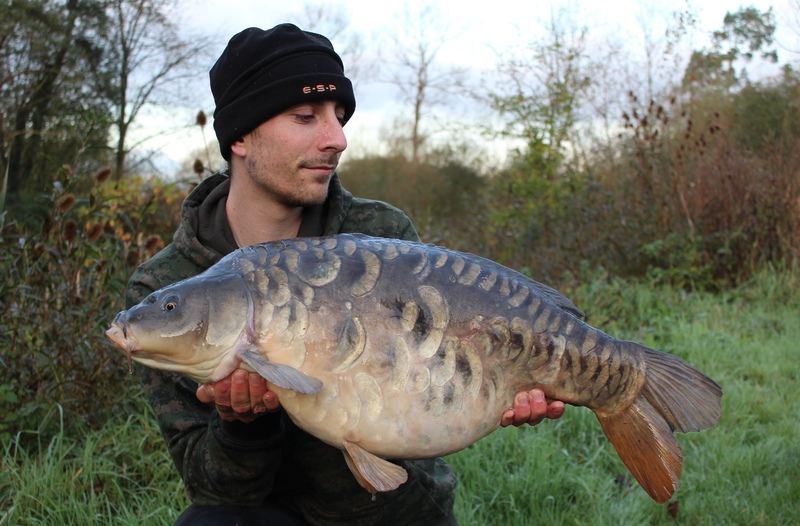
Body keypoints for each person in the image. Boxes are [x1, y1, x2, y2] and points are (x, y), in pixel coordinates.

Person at [125, 23, 565, 526]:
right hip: (266, 513)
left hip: (394, 508)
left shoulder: (381, 234)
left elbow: (441, 374)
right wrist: (242, 424)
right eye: (305, 116)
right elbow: (211, 487)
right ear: (240, 136)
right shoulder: (167, 288)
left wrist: (509, 376)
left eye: (339, 116)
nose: (337, 140)